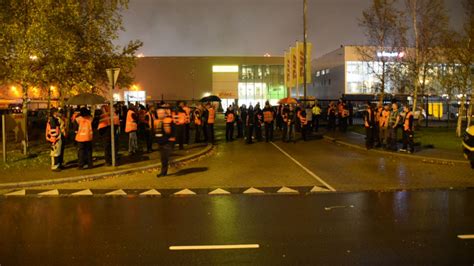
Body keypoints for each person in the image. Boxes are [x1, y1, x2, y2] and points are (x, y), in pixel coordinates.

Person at [154, 104, 175, 177]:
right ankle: (163, 172)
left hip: (166, 143)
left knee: (164, 158)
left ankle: (163, 172)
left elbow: (173, 131)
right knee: (163, 158)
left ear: (164, 114)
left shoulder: (168, 121)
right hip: (160, 142)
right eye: (158, 113)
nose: (159, 114)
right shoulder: (157, 121)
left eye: (161, 113)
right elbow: (155, 131)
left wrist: (171, 139)